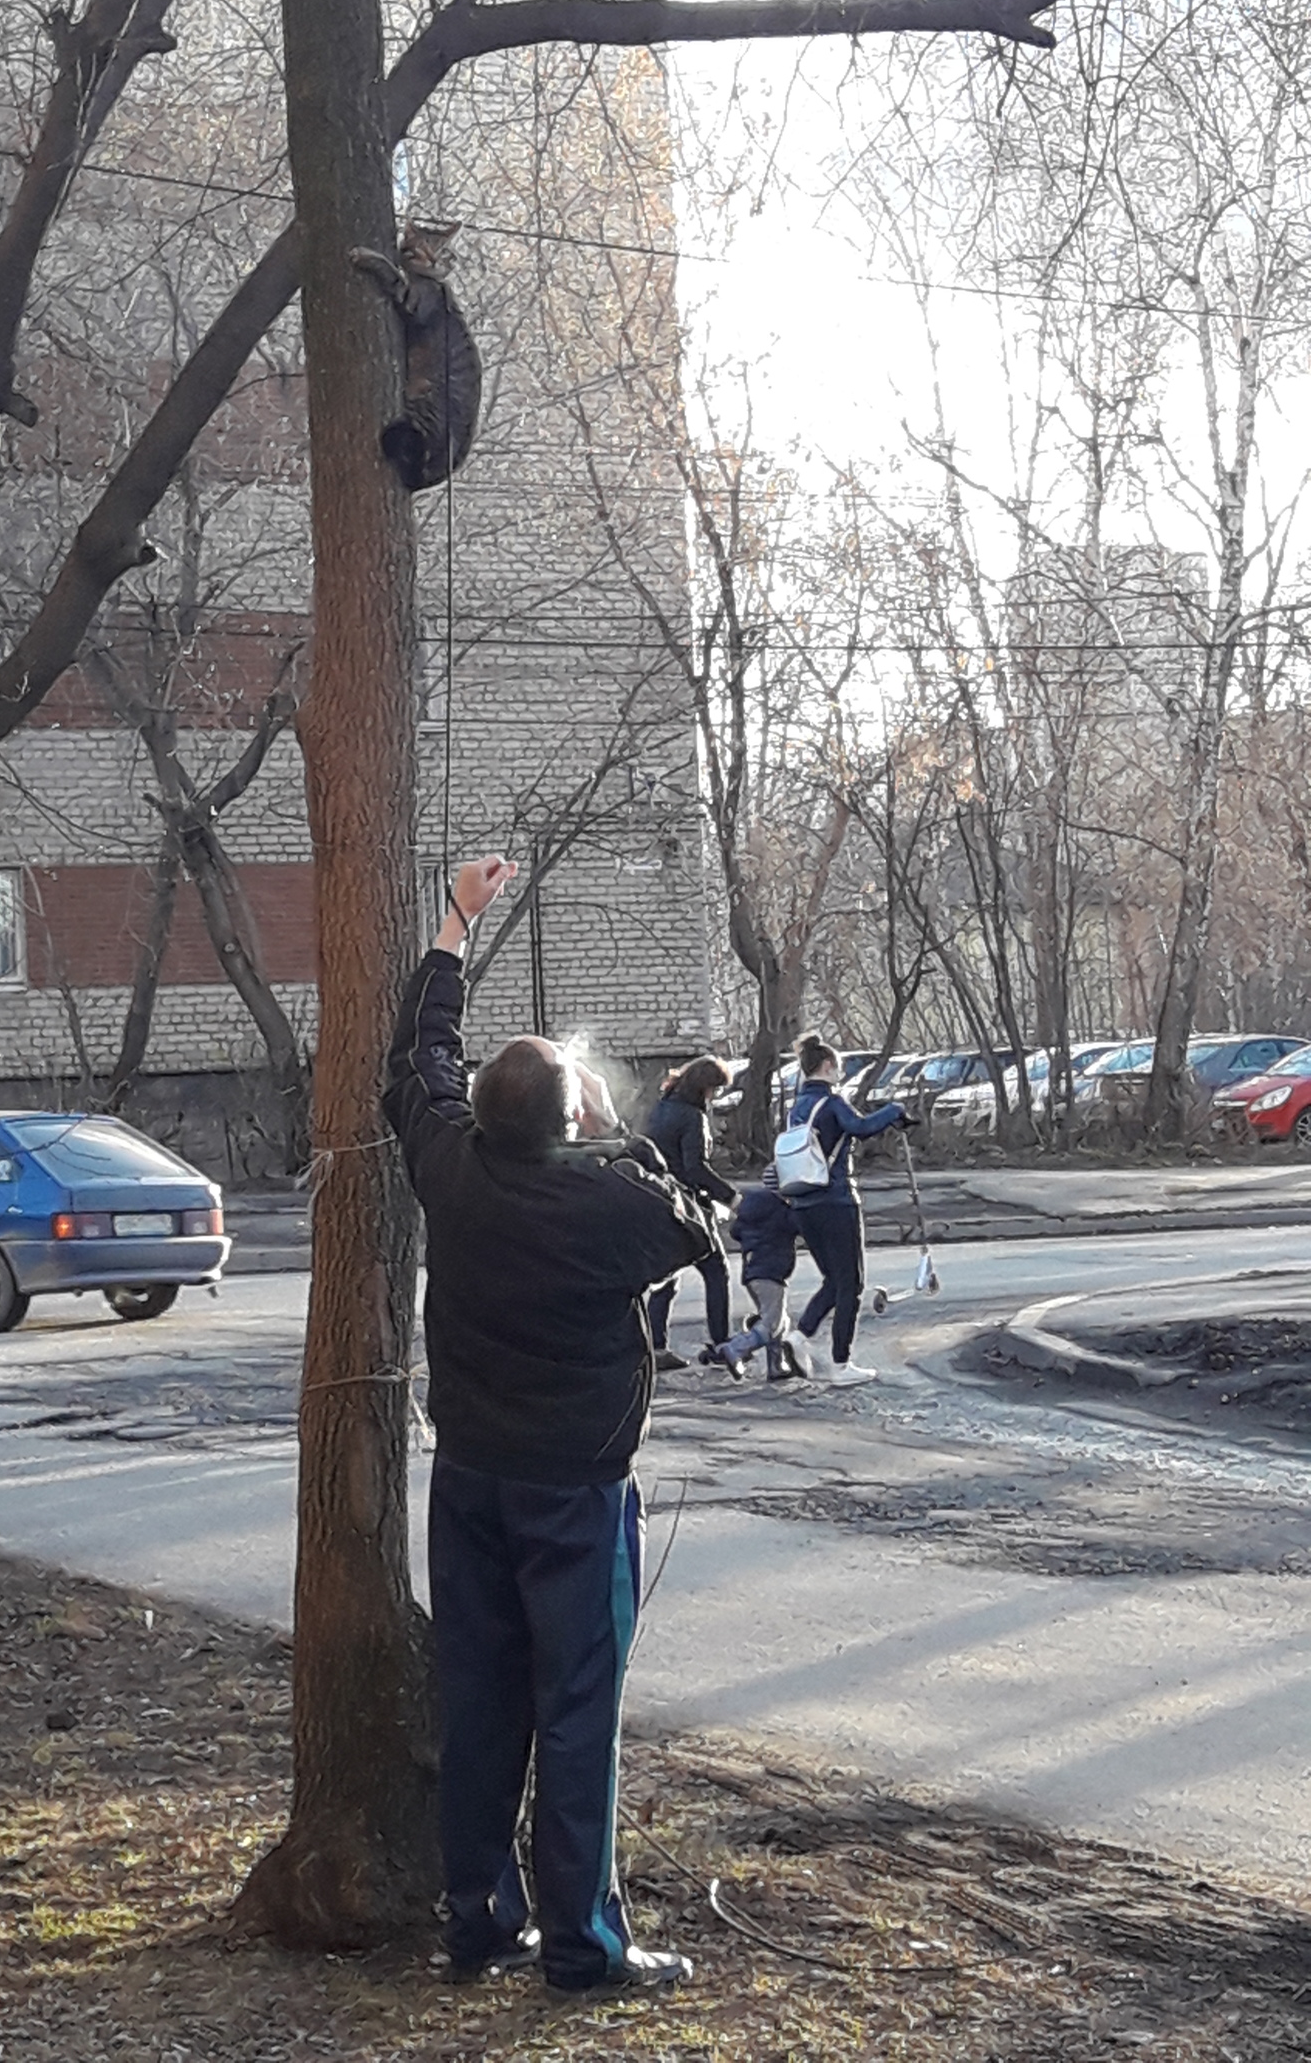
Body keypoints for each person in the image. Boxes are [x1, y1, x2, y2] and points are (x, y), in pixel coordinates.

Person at [383, 855, 715, 1996]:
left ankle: (476, 1921)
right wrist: (615, 1126)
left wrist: (451, 931)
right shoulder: (609, 1199)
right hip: (573, 1493)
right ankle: (582, 1947)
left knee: (479, 1698)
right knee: (575, 1712)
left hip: (467, 1476)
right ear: (572, 1119)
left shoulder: (449, 1164)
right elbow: (693, 1226)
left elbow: (414, 1063)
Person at [768, 1033, 909, 1386]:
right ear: (828, 1067)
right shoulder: (831, 1103)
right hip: (837, 1201)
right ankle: (841, 1364)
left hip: (803, 1202)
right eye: (839, 1067)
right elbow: (860, 1128)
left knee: (834, 1278)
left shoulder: (797, 1108)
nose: (841, 1073)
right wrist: (894, 1111)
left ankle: (799, 1336)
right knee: (852, 1284)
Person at [643, 1056, 737, 1371]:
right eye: (715, 1090)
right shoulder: (691, 1117)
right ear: (704, 1088)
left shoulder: (661, 1108)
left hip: (660, 1200)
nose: (716, 1097)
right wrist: (731, 1197)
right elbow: (695, 1167)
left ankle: (656, 1346)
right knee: (716, 1271)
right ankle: (722, 1343)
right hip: (690, 1205)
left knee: (667, 1276)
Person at [708, 1182, 807, 1383]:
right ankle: (736, 1348)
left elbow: (735, 1232)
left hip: (752, 1272)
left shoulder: (749, 1210)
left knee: (778, 1319)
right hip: (772, 1273)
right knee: (773, 1323)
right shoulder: (782, 1212)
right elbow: (802, 1227)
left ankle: (776, 1365)